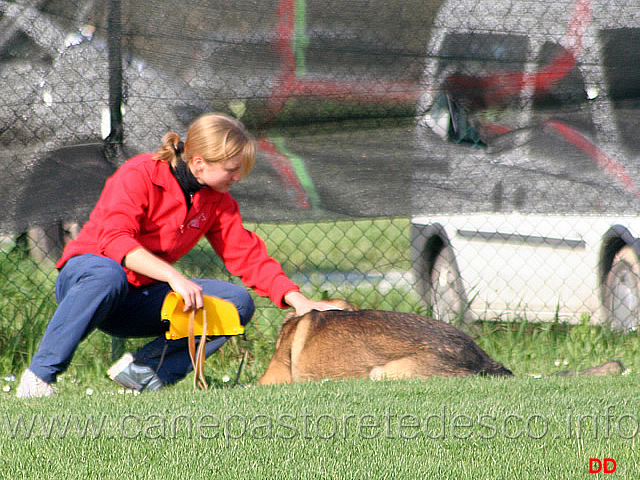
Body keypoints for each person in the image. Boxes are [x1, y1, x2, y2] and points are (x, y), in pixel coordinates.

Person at [17, 113, 338, 397]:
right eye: (231, 168)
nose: (238, 176)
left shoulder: (216, 199)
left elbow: (247, 255)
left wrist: (298, 300)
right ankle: (39, 378)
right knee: (107, 275)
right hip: (90, 280)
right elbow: (116, 241)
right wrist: (174, 277)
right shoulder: (139, 174)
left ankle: (143, 373)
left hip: (139, 297)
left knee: (236, 303)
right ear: (199, 163)